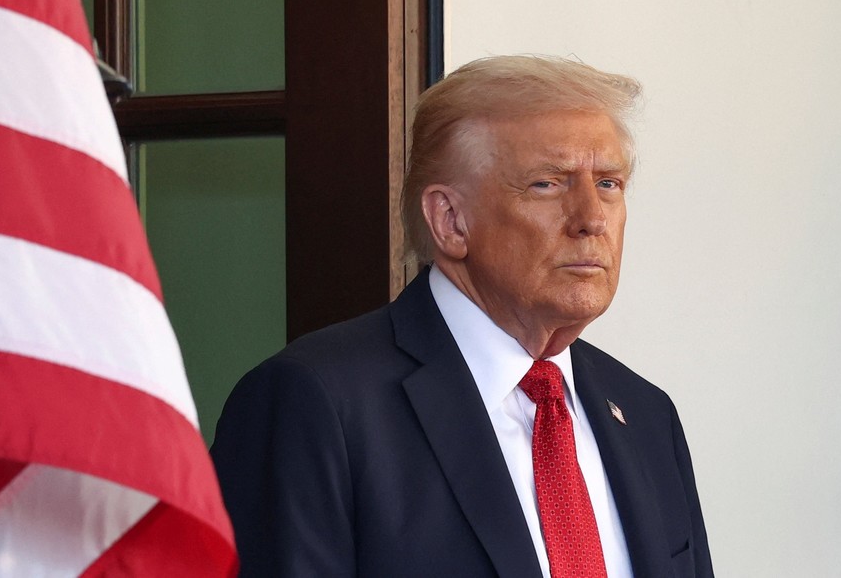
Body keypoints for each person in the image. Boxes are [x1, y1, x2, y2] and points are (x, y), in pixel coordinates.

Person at [211, 55, 713, 577]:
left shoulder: (646, 414)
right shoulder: (314, 403)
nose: (591, 219)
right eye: (548, 183)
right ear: (450, 220)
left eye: (608, 183)